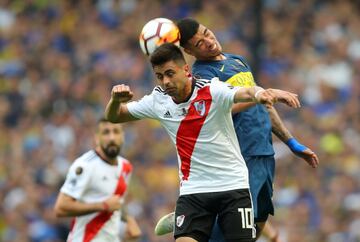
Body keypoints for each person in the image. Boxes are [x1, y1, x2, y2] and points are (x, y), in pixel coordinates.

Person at [104, 43, 301, 242]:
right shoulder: (158, 100)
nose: (166, 81)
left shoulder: (211, 89)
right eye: (160, 76)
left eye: (170, 73)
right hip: (194, 192)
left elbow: (246, 92)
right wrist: (115, 100)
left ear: (186, 70)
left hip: (232, 187)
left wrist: (261, 94)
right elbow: (115, 116)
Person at [155, 18, 319, 242]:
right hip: (241, 155)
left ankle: (188, 216)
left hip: (264, 152)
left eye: (207, 33)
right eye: (199, 43)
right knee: (232, 230)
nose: (209, 42)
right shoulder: (202, 76)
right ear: (189, 51)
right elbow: (218, 110)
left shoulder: (237, 61)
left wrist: (292, 143)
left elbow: (266, 105)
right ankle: (192, 218)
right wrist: (258, 95)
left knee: (258, 223)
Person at [54, 118, 141, 242]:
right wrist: (102, 205)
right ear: (97, 138)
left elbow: (117, 201)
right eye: (106, 132)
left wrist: (129, 220)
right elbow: (61, 208)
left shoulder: (126, 167)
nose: (112, 138)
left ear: (123, 136)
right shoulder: (84, 166)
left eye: (116, 132)